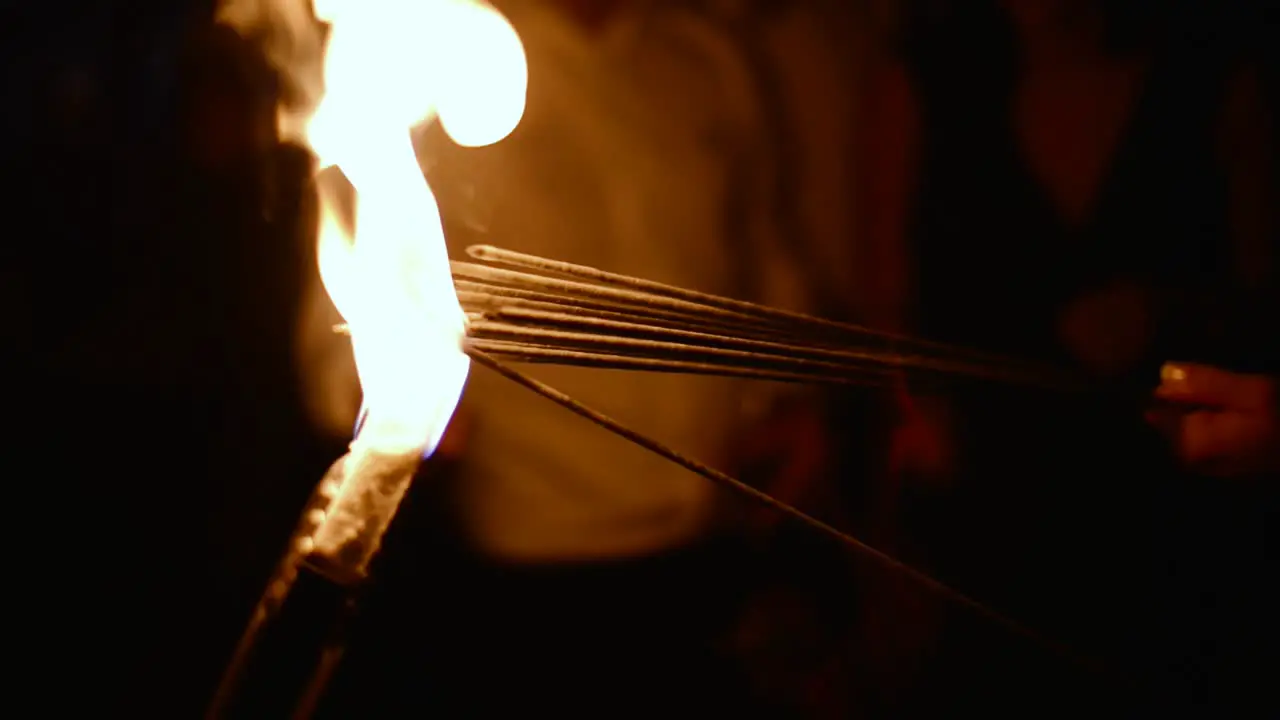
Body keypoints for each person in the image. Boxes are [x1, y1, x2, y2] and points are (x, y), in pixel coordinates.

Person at [293, 0, 859, 717]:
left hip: (715, 539)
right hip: (531, 564)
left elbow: (764, 260)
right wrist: (398, 403)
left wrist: (796, 399)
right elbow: (336, 338)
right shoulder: (432, 46)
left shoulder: (708, 57)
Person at [851, 0, 1275, 714]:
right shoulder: (923, 80)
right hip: (985, 499)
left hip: (1172, 502)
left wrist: (1165, 306)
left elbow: (1261, 294)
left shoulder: (1216, 76)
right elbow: (887, 301)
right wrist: (918, 415)